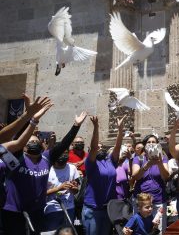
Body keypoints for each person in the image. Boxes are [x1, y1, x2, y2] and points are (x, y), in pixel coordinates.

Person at [1, 97, 87, 235]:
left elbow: (64, 144)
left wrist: (76, 126)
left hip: (37, 211)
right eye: (29, 142)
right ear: (23, 146)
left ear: (41, 145)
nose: (33, 143)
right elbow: (16, 139)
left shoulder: (46, 158)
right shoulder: (17, 159)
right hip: (13, 211)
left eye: (36, 141)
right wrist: (31, 118)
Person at [82, 115, 126, 235]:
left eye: (102, 147)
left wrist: (120, 129)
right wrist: (96, 126)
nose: (100, 148)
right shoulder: (91, 163)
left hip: (107, 209)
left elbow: (117, 146)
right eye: (97, 147)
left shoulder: (110, 161)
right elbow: (94, 146)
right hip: (93, 209)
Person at [131, 134, 169, 234]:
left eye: (154, 142)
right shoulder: (138, 159)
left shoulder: (163, 158)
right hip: (141, 202)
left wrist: (159, 163)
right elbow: (136, 176)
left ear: (158, 145)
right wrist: (147, 165)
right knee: (140, 230)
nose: (151, 144)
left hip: (158, 200)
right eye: (149, 142)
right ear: (144, 145)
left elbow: (166, 176)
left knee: (158, 230)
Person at [44, 147, 80, 231]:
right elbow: (42, 193)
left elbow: (75, 191)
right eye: (60, 152)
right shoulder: (47, 169)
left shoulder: (72, 168)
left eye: (66, 152)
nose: (63, 155)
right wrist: (58, 188)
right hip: (52, 209)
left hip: (69, 208)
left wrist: (73, 188)